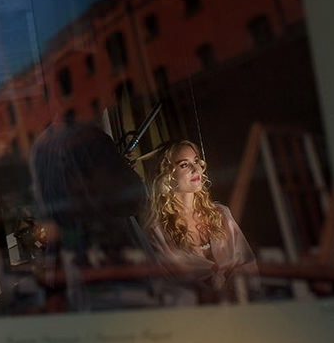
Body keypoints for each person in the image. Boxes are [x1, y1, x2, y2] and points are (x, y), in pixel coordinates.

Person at [28, 122, 151, 311]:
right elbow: (133, 200)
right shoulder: (89, 137)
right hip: (112, 260)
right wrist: (122, 171)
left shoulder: (43, 145)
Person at [141, 140, 258, 303]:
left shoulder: (221, 214)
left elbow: (248, 266)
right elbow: (164, 287)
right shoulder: (157, 230)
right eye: (184, 165)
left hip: (241, 306)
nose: (197, 169)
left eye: (196, 161)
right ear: (168, 175)